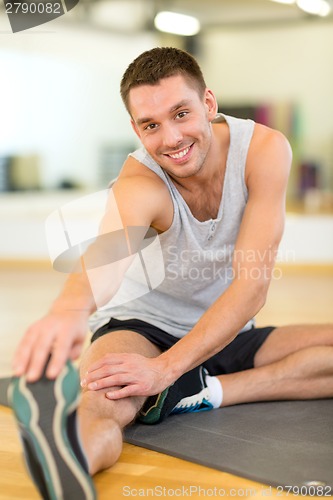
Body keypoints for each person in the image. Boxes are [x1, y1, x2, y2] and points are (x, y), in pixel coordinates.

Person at [10, 47, 333, 499]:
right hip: (143, 329)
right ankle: (69, 457)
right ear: (135, 129)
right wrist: (67, 310)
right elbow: (106, 254)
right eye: (151, 125)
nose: (171, 138)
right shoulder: (140, 184)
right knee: (102, 407)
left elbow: (252, 286)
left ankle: (205, 389)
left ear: (209, 104)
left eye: (181, 113)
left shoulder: (263, 149)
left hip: (227, 327)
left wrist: (167, 372)